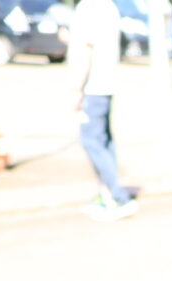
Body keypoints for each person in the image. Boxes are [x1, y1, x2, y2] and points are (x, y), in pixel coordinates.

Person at [67, 0, 136, 221]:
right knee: (104, 140)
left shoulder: (88, 8)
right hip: (107, 84)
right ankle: (106, 194)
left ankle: (116, 195)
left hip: (93, 86)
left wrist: (77, 88)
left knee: (91, 141)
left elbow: (86, 49)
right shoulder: (109, 7)